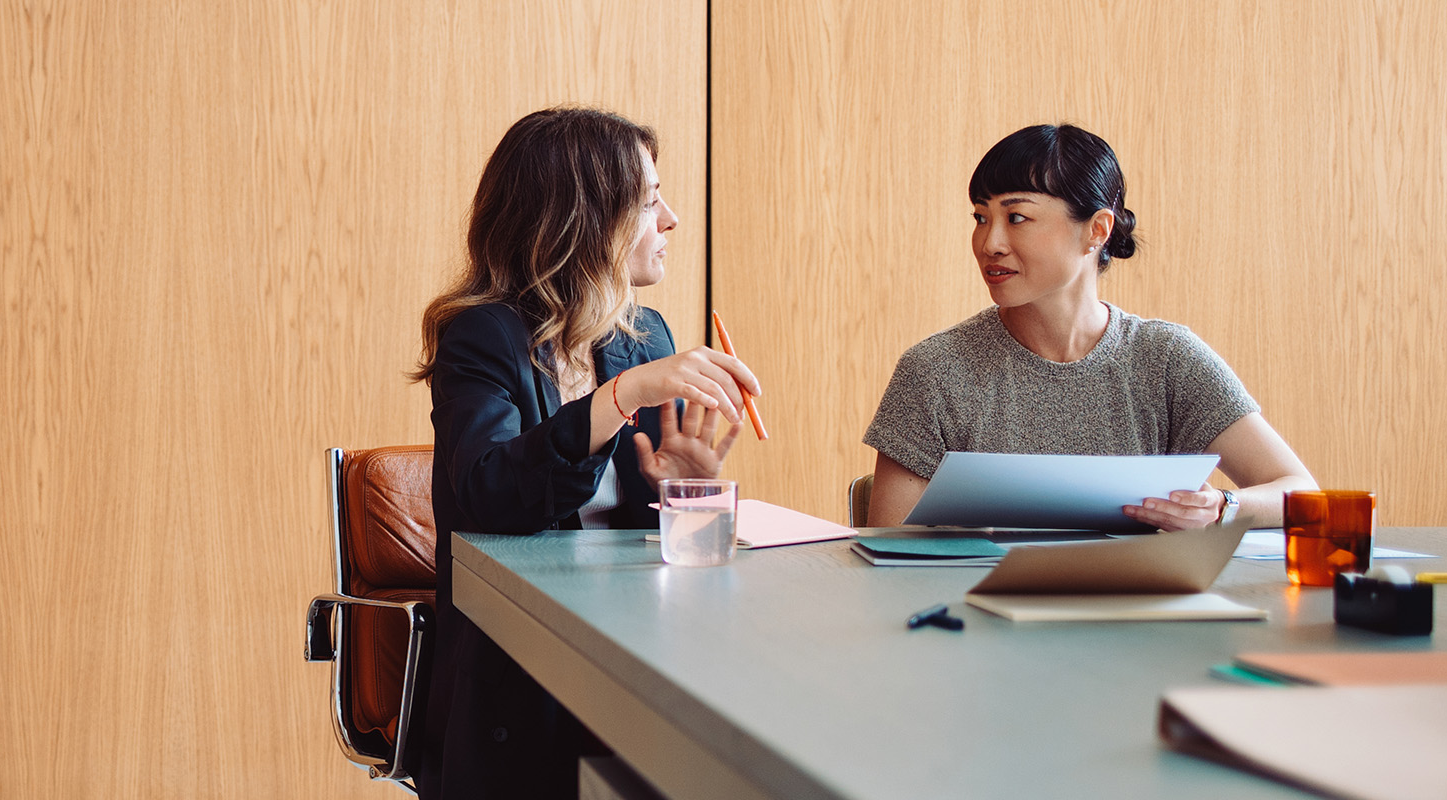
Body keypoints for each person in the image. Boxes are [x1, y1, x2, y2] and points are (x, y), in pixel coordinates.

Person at [411, 107, 762, 798]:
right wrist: (620, 396)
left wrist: (681, 495)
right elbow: (491, 495)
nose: (671, 220)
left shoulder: (642, 335)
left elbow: (644, 546)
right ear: (583, 220)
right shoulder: (482, 337)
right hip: (520, 673)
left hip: (634, 648)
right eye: (649, 202)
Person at [862, 124, 1316, 529]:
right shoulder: (934, 370)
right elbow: (890, 547)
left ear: (1097, 230)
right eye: (981, 218)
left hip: (1142, 597)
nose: (990, 243)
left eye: (1016, 217)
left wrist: (1220, 508)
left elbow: (1299, 491)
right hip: (978, 599)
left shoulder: (1167, 359)